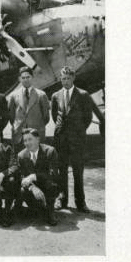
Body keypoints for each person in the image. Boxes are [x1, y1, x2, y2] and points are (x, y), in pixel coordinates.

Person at [51, 66, 93, 212]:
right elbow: (55, 115)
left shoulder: (83, 95)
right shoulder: (56, 95)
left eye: (68, 78)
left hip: (77, 140)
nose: (66, 81)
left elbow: (88, 118)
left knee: (77, 171)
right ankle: (62, 200)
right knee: (61, 171)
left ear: (73, 78)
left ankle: (80, 202)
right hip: (61, 140)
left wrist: (78, 132)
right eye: (63, 78)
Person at [17, 128, 58, 226]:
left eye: (30, 139)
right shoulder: (21, 155)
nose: (27, 143)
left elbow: (53, 174)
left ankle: (50, 211)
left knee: (52, 185)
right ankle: (37, 209)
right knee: (23, 190)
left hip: (47, 185)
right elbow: (21, 177)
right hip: (33, 188)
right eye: (25, 140)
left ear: (38, 139)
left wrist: (34, 176)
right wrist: (32, 187)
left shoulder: (50, 151)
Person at [8, 66, 50, 150]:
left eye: (28, 77)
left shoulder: (41, 95)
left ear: (32, 77)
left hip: (36, 134)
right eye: (23, 77)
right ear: (19, 79)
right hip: (19, 136)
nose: (26, 80)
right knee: (20, 160)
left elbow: (46, 117)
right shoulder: (13, 95)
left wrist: (35, 124)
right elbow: (11, 116)